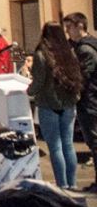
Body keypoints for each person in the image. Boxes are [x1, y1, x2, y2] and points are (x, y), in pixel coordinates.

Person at [27, 22, 83, 190]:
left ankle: (62, 184)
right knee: (68, 144)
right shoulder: (69, 52)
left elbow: (38, 81)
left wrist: (29, 91)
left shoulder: (41, 54)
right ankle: (72, 183)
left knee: (55, 147)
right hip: (68, 104)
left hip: (48, 104)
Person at [64, 12, 97, 191]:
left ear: (80, 26)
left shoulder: (85, 49)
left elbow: (82, 77)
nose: (67, 31)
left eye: (69, 27)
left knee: (94, 141)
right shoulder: (87, 45)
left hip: (90, 101)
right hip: (90, 99)